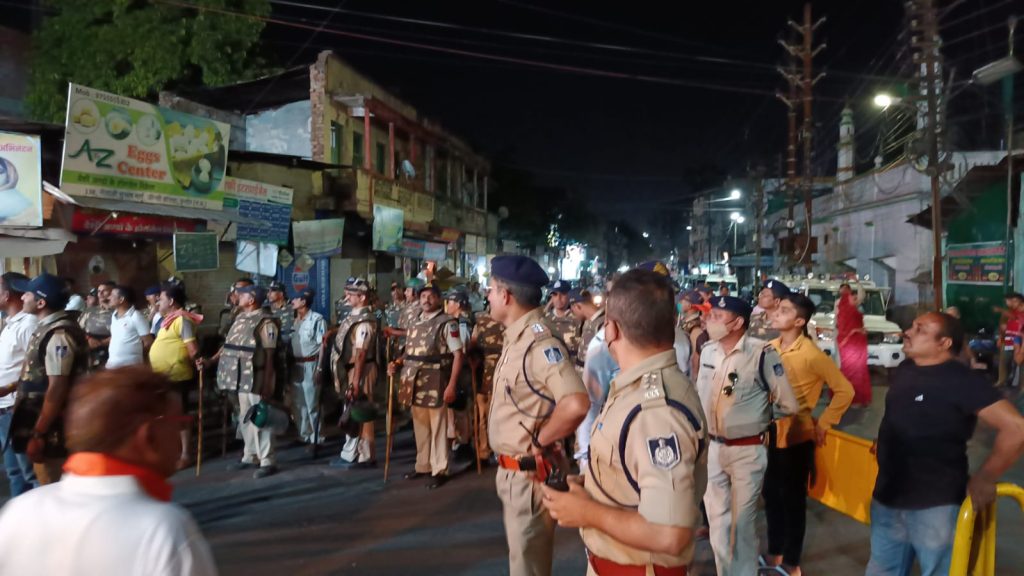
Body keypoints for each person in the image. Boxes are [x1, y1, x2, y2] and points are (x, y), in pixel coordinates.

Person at [542, 268, 707, 576]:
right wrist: (591, 486)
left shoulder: (656, 412)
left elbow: (670, 534)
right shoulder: (638, 386)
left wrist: (587, 512)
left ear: (611, 329)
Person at [0, 366, 218, 576]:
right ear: (148, 436)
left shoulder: (19, 511)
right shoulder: (164, 529)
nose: (180, 434)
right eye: (179, 423)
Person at [866, 312, 1024, 576]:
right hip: (888, 497)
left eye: (920, 329)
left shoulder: (963, 381)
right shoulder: (905, 369)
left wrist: (986, 477)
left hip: (935, 504)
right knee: (882, 570)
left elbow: (1016, 428)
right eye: (912, 326)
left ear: (944, 343)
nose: (908, 332)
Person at [486, 255, 589, 576]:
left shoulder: (538, 343)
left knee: (527, 567)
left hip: (528, 475)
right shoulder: (518, 337)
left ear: (505, 295)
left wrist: (541, 439)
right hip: (514, 473)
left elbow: (576, 403)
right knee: (524, 561)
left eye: (491, 289)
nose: (488, 296)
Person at [695, 295, 798, 576]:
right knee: (717, 521)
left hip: (747, 451)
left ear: (737, 322)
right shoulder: (708, 351)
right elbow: (700, 394)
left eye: (717, 316)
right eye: (710, 315)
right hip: (712, 448)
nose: (709, 320)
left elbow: (788, 403)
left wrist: (759, 417)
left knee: (742, 524)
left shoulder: (761, 354)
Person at [763, 293, 855, 576]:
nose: (776, 313)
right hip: (768, 432)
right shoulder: (770, 347)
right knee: (771, 495)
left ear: (799, 322)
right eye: (778, 308)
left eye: (784, 310)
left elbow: (845, 390)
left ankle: (791, 562)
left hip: (796, 435)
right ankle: (774, 552)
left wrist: (824, 423)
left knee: (793, 500)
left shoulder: (812, 355)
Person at [11, 273, 89, 484]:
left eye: (27, 294)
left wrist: (38, 434)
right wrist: (11, 386)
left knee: (53, 485)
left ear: (41, 303)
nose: (22, 297)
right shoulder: (46, 328)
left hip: (53, 430)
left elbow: (57, 387)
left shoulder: (59, 334)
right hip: (45, 423)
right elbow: (42, 375)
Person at [388, 284, 463, 488]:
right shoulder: (415, 321)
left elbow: (458, 355)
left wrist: (452, 385)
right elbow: (410, 351)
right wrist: (397, 363)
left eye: (431, 296)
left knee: (438, 426)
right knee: (420, 425)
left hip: (436, 380)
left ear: (439, 299)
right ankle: (423, 465)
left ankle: (440, 468)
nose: (426, 300)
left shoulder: (447, 323)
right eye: (423, 296)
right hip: (413, 380)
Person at [200, 285, 279, 479]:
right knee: (245, 417)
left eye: (241, 295)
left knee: (260, 418)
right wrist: (211, 361)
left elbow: (270, 355)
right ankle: (250, 455)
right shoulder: (240, 317)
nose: (237, 297)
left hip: (257, 377)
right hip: (240, 377)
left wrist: (268, 382)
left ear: (252, 300)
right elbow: (228, 345)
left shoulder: (266, 322)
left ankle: (267, 460)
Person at [150, 281, 203, 470]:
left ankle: (186, 454)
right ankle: (174, 450)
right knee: (168, 415)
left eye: (161, 299)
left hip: (177, 376)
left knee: (179, 416)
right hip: (164, 376)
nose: (158, 302)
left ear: (171, 301)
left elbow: (192, 348)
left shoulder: (182, 320)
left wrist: (197, 360)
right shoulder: (168, 320)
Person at [331, 278, 379, 468]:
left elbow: (361, 353)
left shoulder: (364, 322)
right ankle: (352, 453)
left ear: (362, 297)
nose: (347, 297)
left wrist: (356, 382)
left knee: (361, 410)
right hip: (352, 369)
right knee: (352, 409)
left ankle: (365, 456)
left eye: (352, 294)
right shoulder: (354, 317)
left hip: (361, 369)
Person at [0, 273, 39, 495]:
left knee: (30, 472)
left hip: (17, 408)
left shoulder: (28, 324)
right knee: (14, 471)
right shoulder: (10, 324)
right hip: (5, 407)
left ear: (7, 295)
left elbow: (35, 367)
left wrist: (12, 390)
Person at [290, 288, 326, 448]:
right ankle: (304, 434)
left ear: (303, 302)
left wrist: (320, 368)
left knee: (312, 404)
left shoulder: (317, 320)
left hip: (311, 364)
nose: (292, 301)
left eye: (295, 299)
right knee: (299, 404)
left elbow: (322, 345)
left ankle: (317, 437)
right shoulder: (295, 321)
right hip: (296, 366)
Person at [468, 306, 504, 464]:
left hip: (503, 373)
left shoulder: (510, 320)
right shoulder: (480, 322)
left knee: (500, 414)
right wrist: (472, 357)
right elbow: (472, 345)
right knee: (483, 416)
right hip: (484, 373)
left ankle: (501, 450)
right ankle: (483, 451)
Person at [445, 288, 474, 459]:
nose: (447, 305)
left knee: (460, 408)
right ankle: (457, 440)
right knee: (454, 408)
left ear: (457, 304)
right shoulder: (454, 321)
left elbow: (462, 347)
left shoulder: (462, 323)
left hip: (461, 370)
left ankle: (464, 442)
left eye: (449, 302)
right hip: (455, 368)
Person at [836, 282, 871, 406]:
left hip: (858, 342)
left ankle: (859, 396)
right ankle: (847, 395)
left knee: (859, 369)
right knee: (849, 368)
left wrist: (858, 282)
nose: (854, 298)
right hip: (848, 342)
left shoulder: (855, 304)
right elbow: (841, 326)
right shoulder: (840, 306)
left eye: (847, 290)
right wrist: (856, 330)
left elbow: (861, 296)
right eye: (852, 297)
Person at [105, 285, 154, 369]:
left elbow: (148, 342)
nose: (109, 297)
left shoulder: (136, 316)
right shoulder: (114, 315)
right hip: (112, 365)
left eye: (112, 295)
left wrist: (138, 358)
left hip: (131, 367)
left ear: (121, 299)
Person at [80, 280, 115, 372]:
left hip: (113, 351)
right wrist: (88, 338)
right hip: (90, 351)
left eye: (104, 291)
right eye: (99, 291)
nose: (100, 294)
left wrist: (102, 342)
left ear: (113, 292)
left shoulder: (119, 311)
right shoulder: (89, 311)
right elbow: (77, 330)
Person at [568, 288, 604, 376]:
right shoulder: (588, 322)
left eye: (572, 310)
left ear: (578, 306)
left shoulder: (603, 324)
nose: (572, 313)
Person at [545, 280, 582, 364]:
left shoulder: (578, 318)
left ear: (569, 296)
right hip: (552, 366)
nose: (558, 298)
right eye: (555, 294)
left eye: (563, 294)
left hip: (573, 366)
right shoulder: (545, 319)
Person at [997, 292, 1024, 387]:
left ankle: (1021, 386)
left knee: (1020, 362)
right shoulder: (1008, 312)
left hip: (1020, 341)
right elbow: (1001, 326)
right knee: (1004, 360)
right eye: (1009, 301)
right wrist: (1000, 338)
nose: (1010, 303)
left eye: (1013, 301)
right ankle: (1002, 381)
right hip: (1008, 340)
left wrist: (1021, 351)